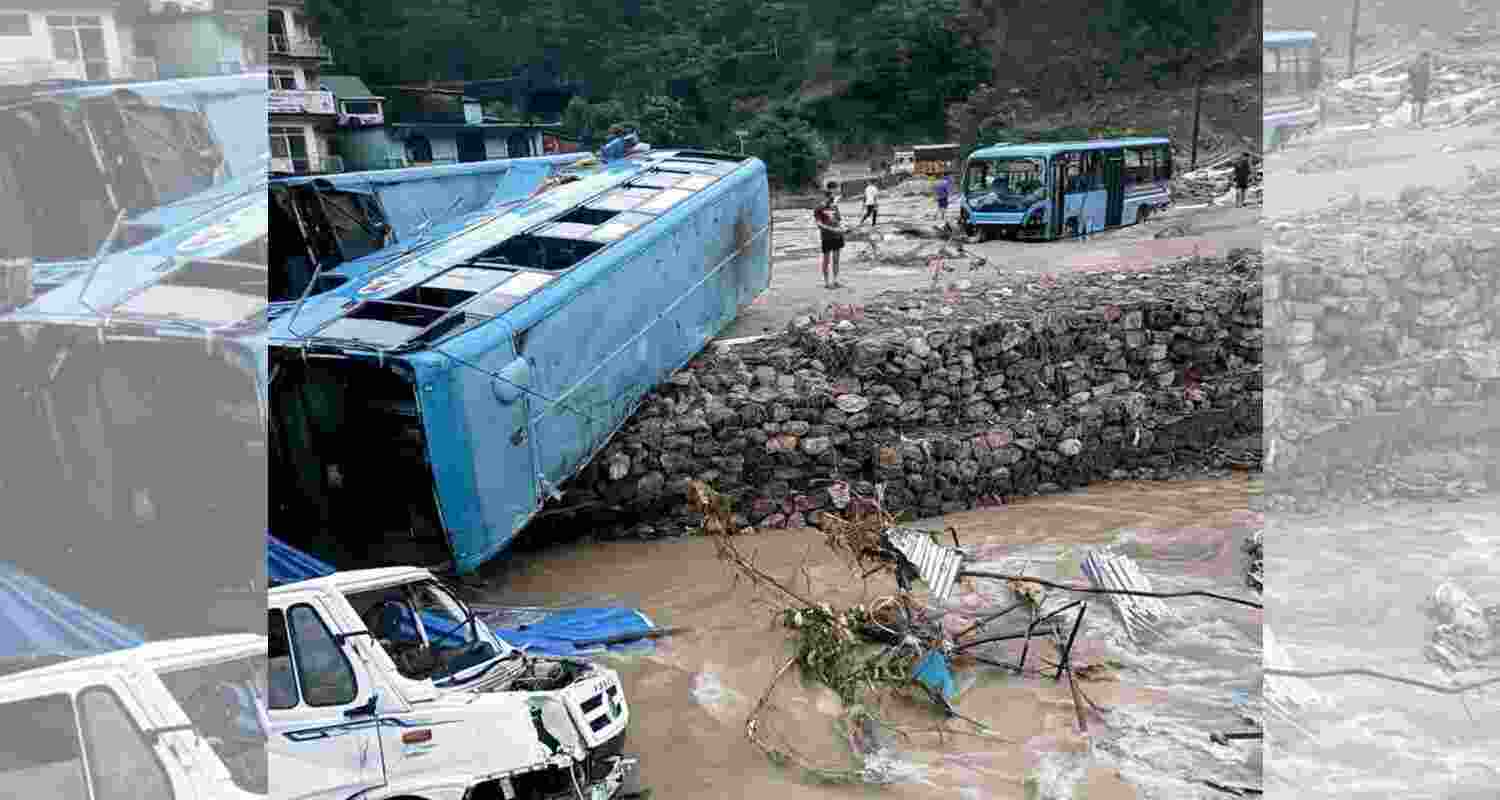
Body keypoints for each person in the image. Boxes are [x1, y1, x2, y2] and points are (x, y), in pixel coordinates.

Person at [813, 185, 846, 289]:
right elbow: (819, 224)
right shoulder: (819, 208)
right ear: (824, 197)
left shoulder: (834, 206)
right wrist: (832, 229)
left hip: (837, 236)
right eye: (829, 198)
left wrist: (842, 228)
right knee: (826, 260)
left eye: (832, 198)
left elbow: (838, 221)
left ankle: (836, 280)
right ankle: (827, 282)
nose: (831, 200)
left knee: (836, 259)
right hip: (826, 237)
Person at [1408, 51, 1432, 127]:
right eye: (1427, 58)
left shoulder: (1426, 65)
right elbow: (1411, 73)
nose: (1428, 60)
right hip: (1417, 87)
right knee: (1417, 104)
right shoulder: (1417, 65)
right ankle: (1415, 121)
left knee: (1420, 105)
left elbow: (1428, 77)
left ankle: (1417, 121)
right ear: (1423, 58)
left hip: (1422, 87)